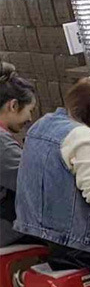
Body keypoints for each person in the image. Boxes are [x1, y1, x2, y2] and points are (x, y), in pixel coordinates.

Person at [14, 78, 90, 278]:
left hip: (45, 236)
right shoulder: (86, 139)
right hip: (86, 248)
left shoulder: (44, 124)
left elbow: (62, 173)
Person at [0, 63, 37, 248]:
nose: (30, 119)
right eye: (30, 111)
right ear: (13, 105)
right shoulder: (2, 145)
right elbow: (35, 182)